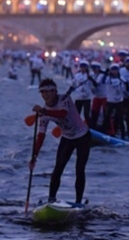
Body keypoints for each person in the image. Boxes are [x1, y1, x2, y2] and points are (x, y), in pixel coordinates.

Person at [29, 78, 91, 206]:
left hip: (83, 136)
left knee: (79, 169)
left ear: (55, 91)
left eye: (49, 92)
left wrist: (43, 111)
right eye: (43, 92)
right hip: (67, 138)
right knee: (58, 169)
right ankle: (51, 200)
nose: (46, 95)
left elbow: (62, 114)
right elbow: (40, 136)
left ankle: (78, 202)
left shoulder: (64, 99)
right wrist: (34, 156)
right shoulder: (44, 113)